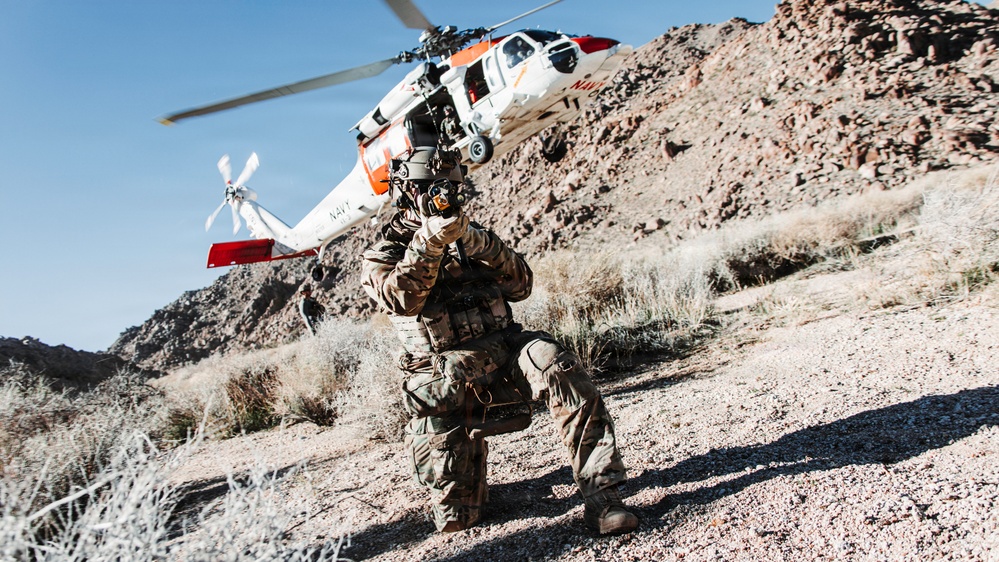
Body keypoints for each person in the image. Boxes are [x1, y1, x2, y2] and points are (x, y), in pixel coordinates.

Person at [360, 146, 639, 535]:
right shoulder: (384, 252)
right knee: (458, 522)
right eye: (432, 187)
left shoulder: (471, 236)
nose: (443, 195)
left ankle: (603, 499)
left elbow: (521, 286)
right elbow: (400, 301)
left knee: (558, 365)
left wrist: (478, 243)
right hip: (445, 378)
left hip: (505, 353)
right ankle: (465, 491)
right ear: (407, 191)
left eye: (450, 187)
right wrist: (428, 243)